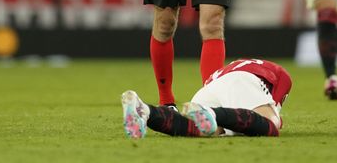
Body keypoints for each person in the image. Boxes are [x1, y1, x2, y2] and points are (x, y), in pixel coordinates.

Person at [121, 58, 292, 139]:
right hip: (242, 80)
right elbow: (271, 112)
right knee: (270, 126)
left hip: (206, 90)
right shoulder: (279, 73)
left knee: (199, 129)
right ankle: (212, 113)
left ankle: (146, 111)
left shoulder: (228, 69)